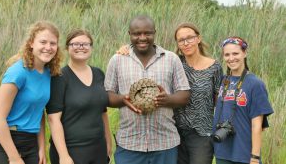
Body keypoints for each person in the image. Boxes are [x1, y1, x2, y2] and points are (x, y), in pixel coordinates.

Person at [105, 15, 191, 164]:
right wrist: (124, 99)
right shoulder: (117, 60)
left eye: (148, 33)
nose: (142, 38)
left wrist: (167, 99)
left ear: (154, 33)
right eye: (137, 34)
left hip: (165, 143)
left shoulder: (171, 59)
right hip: (129, 144)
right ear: (129, 34)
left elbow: (185, 95)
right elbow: (108, 95)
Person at [0, 21, 62, 164]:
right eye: (43, 42)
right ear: (31, 43)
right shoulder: (18, 72)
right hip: (5, 142)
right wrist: (14, 158)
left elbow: (39, 112)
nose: (48, 47)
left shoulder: (49, 73)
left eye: (53, 43)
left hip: (30, 143)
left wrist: (41, 147)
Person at [46, 29, 112, 164]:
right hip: (72, 150)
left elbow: (102, 112)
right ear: (67, 47)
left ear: (91, 47)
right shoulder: (59, 77)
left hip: (98, 148)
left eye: (85, 44)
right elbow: (53, 119)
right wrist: (64, 156)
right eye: (75, 44)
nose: (81, 47)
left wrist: (108, 142)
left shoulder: (99, 73)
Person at [213, 37, 274, 164]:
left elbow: (257, 126)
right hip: (222, 152)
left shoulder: (255, 84)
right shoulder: (223, 81)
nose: (231, 58)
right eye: (227, 54)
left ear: (245, 53)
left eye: (235, 53)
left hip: (245, 155)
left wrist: (255, 157)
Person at [172, 23, 223, 164]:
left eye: (190, 38)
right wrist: (127, 49)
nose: (186, 43)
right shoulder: (174, 64)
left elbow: (219, 101)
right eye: (181, 40)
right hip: (175, 132)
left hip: (202, 134)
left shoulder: (215, 67)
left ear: (198, 39)